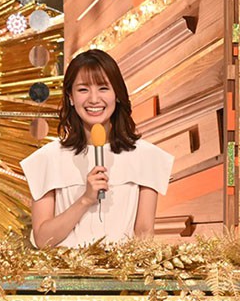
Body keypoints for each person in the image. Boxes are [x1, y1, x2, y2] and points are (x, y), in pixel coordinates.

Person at [20, 49, 173, 248]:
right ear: (71, 97)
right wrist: (85, 199)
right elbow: (42, 240)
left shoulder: (146, 156)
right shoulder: (48, 158)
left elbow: (144, 233)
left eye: (103, 88)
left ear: (117, 94)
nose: (94, 99)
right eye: (83, 89)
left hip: (123, 267)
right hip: (65, 267)